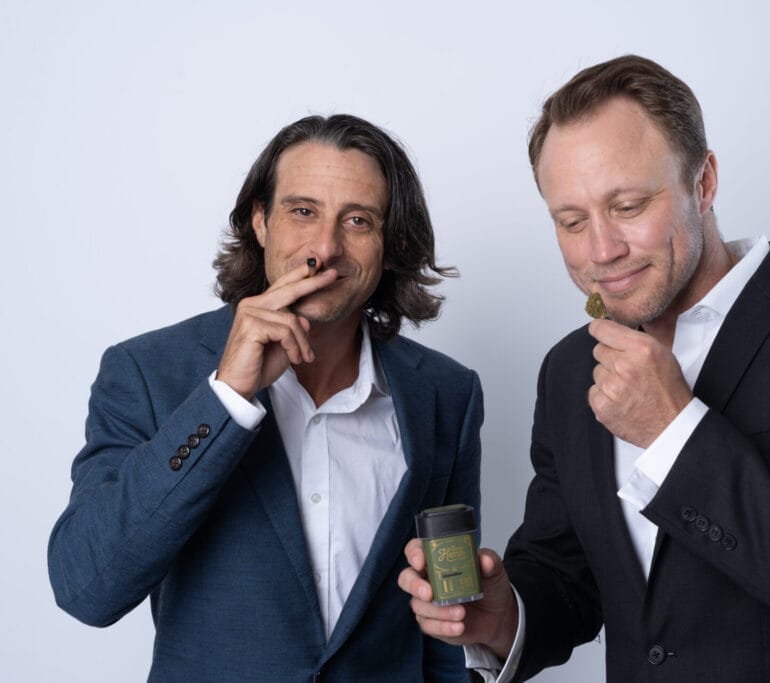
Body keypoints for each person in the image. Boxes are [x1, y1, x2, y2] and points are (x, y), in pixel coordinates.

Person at [399, 55, 770, 681]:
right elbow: (567, 578)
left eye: (629, 206)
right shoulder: (569, 369)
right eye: (572, 221)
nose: (601, 251)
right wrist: (503, 618)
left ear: (704, 182)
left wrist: (675, 433)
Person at [49, 114, 482, 682]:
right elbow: (87, 586)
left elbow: (448, 617)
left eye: (357, 220)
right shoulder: (147, 372)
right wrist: (226, 396)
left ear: (391, 243)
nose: (324, 248)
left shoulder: (446, 394)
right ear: (260, 222)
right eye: (302, 211)